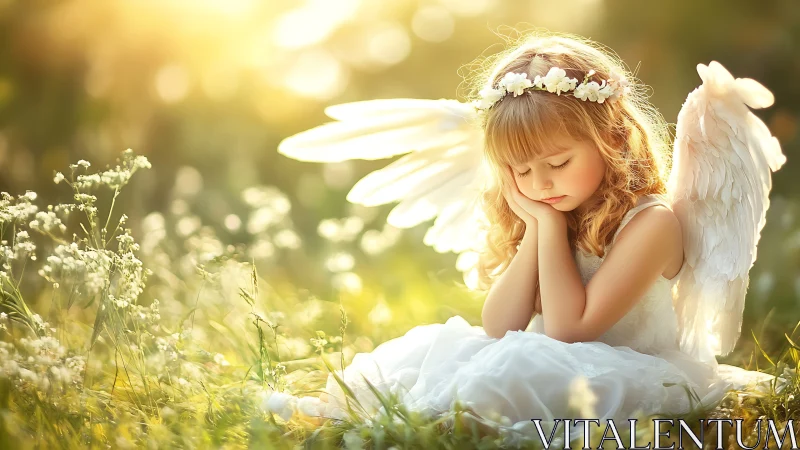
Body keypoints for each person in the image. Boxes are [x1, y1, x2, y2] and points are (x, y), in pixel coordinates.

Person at [275, 30, 786, 443]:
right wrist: (539, 231)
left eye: (558, 163)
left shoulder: (653, 223)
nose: (539, 184)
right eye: (518, 171)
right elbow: (499, 325)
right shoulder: (553, 210)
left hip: (628, 368)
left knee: (516, 371)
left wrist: (546, 225)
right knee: (461, 355)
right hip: (547, 354)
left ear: (609, 139)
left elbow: (569, 329)